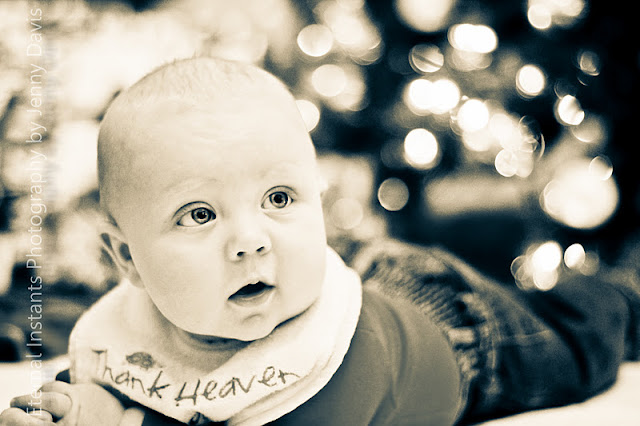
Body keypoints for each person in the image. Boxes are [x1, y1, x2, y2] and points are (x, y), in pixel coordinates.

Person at [2, 57, 639, 426]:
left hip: (451, 326)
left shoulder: (340, 363)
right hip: (356, 269)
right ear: (127, 259)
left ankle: (623, 295)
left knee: (577, 344)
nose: (249, 241)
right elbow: (131, 387)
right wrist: (84, 406)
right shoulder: (129, 330)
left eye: (279, 199)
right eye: (199, 215)